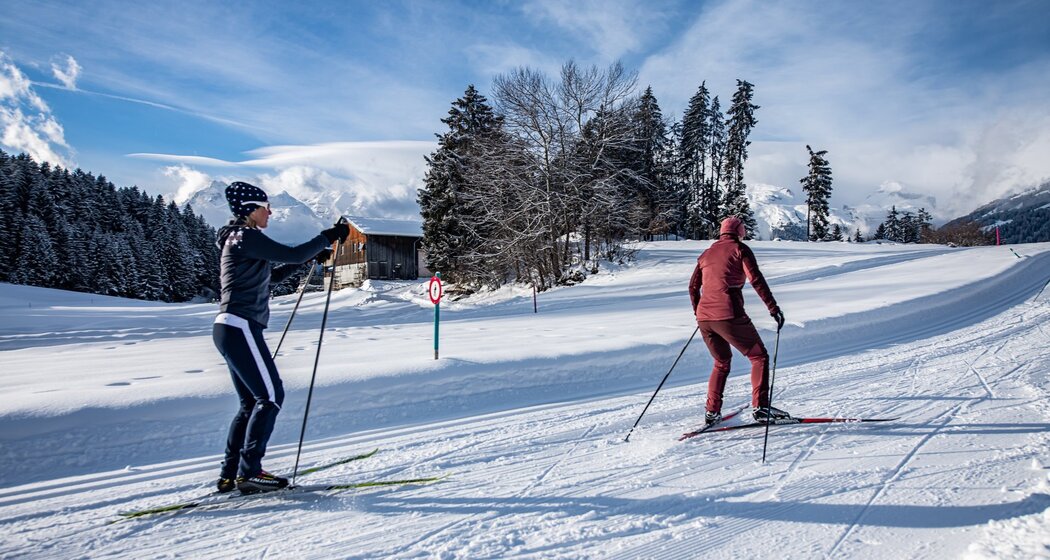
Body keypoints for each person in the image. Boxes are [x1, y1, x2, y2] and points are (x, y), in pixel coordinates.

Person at [213, 181, 349, 494]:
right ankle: (250, 472)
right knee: (271, 396)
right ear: (250, 210)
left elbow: (270, 277)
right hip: (240, 326)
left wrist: (307, 261)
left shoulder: (238, 239)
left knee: (251, 402)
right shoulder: (246, 236)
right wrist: (327, 237)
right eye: (265, 206)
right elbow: (293, 251)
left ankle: (230, 473)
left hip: (231, 327)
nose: (270, 212)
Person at [688, 216, 787, 425]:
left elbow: (692, 287)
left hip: (705, 319)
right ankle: (760, 407)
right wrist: (773, 308)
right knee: (759, 356)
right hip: (729, 314)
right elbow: (756, 279)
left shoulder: (706, 254)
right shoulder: (740, 250)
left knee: (721, 362)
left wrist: (699, 312)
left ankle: (712, 411)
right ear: (740, 232)